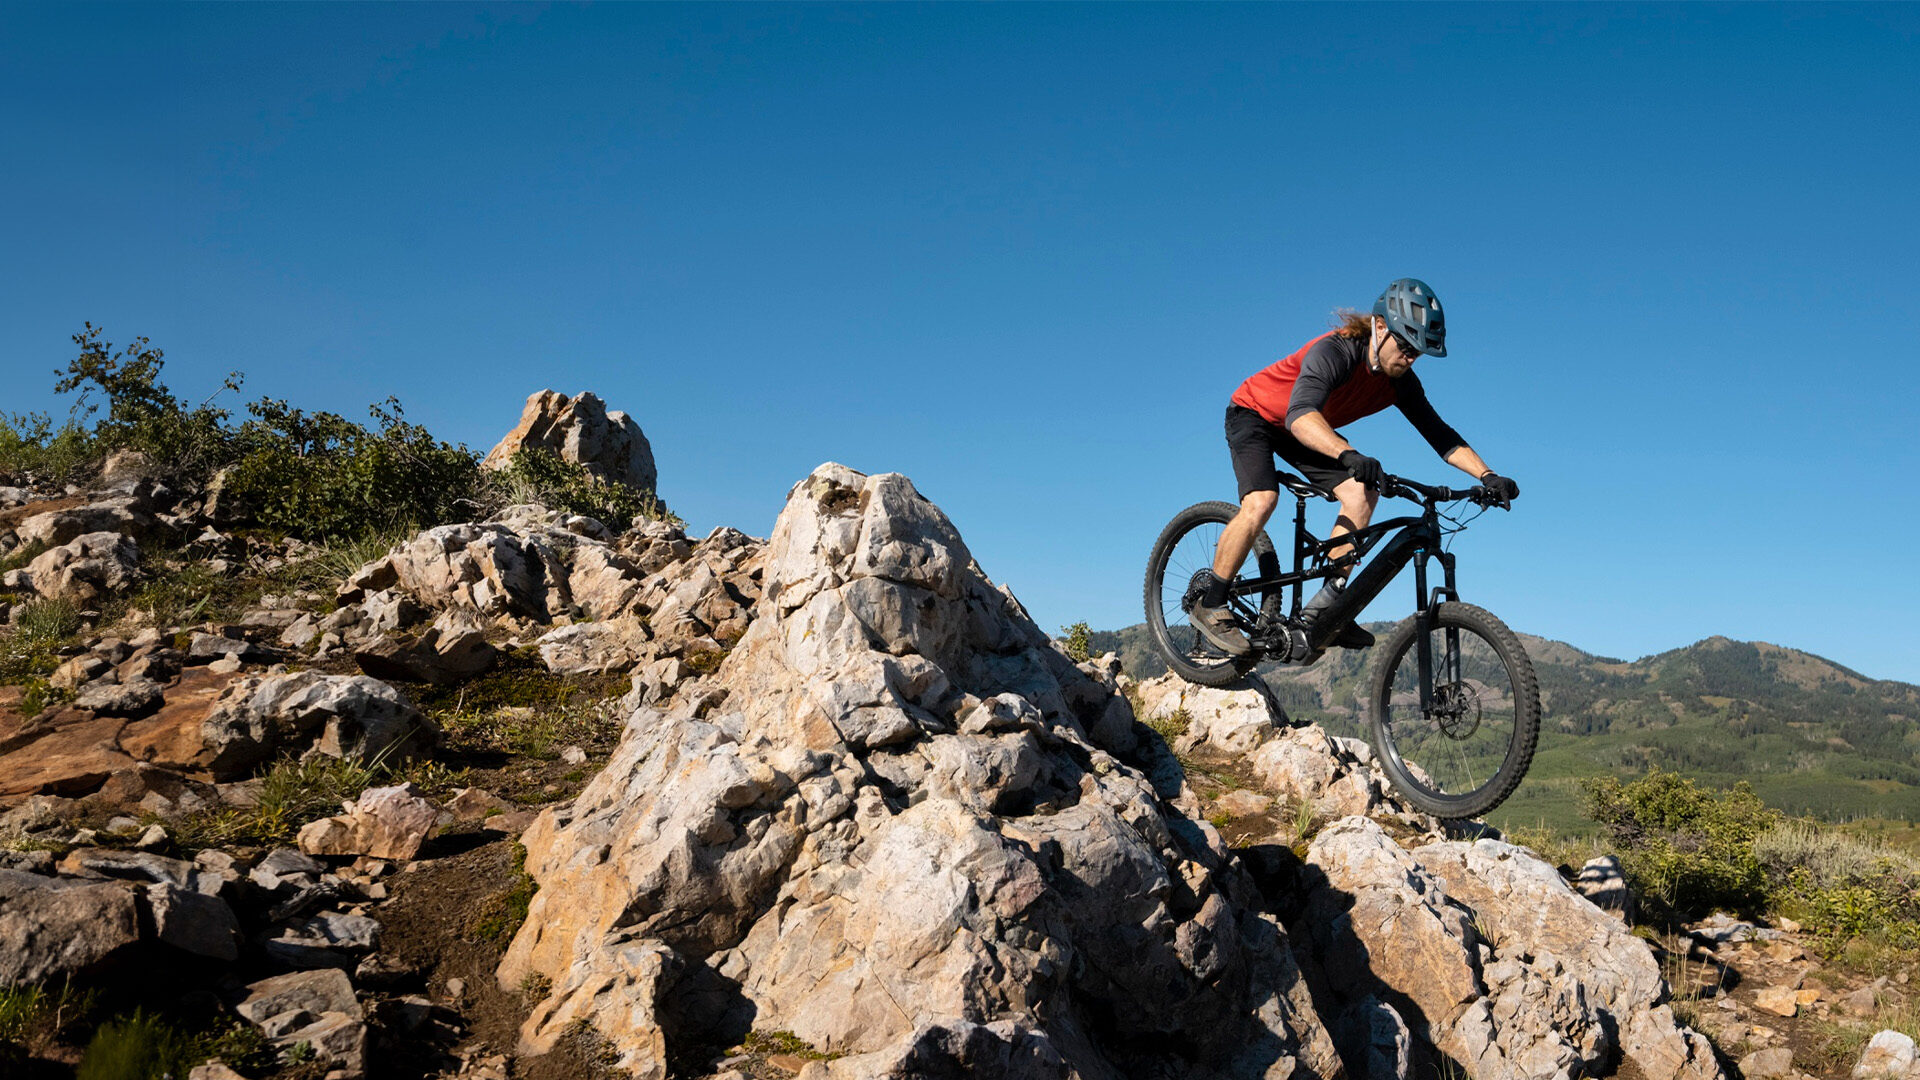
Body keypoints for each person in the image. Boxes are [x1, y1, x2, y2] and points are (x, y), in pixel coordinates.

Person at [1190, 277, 1519, 658]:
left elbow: (1440, 434)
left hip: (1302, 426)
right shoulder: (1337, 351)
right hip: (1255, 415)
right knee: (1262, 500)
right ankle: (1211, 602)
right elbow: (1300, 415)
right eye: (1407, 345)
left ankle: (1327, 609)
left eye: (1419, 352)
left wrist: (1488, 475)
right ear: (1380, 326)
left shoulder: (1400, 382)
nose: (1411, 358)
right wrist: (1348, 454)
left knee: (1363, 492)